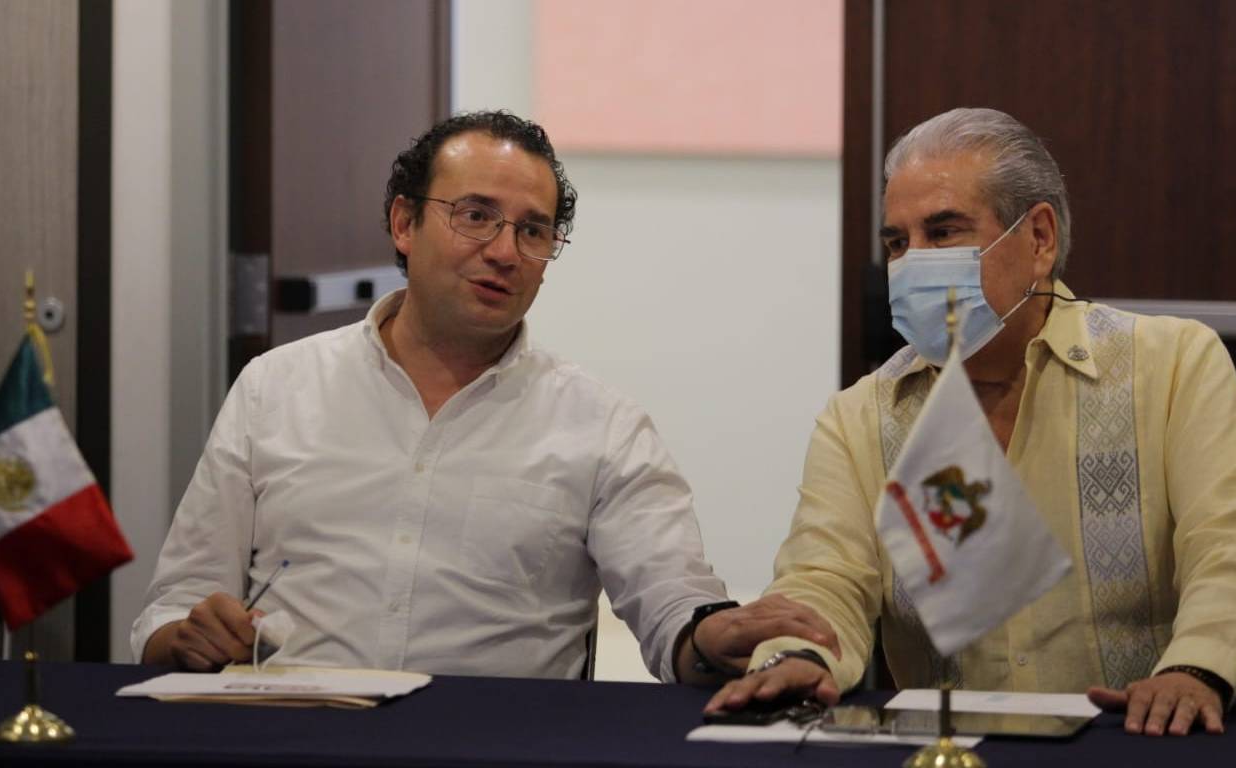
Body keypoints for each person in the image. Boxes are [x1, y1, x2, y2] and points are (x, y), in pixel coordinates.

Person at [131, 111, 831, 683]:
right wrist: (186, 635)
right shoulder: (276, 387)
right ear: (403, 224)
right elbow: (174, 606)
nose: (504, 251)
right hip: (286, 733)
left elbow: (674, 604)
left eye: (533, 231)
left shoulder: (600, 426)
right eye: (475, 215)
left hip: (495, 746)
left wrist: (712, 634)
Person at [705, 107, 1236, 735]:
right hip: (957, 750)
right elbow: (825, 579)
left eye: (943, 232)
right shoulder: (860, 417)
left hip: (1154, 740)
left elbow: (1233, 548)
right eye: (897, 243)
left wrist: (1196, 670)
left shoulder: (1172, 365)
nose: (912, 263)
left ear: (1039, 239)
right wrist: (800, 656)